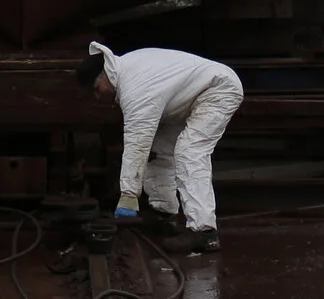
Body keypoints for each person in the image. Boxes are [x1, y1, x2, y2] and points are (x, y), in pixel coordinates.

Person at [78, 41, 243, 254]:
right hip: (189, 97)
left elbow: (137, 143)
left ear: (105, 75)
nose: (98, 97)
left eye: (96, 89)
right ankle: (165, 215)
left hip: (218, 88)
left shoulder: (135, 87)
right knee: (158, 152)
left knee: (190, 151)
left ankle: (204, 232)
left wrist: (128, 196)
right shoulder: (126, 68)